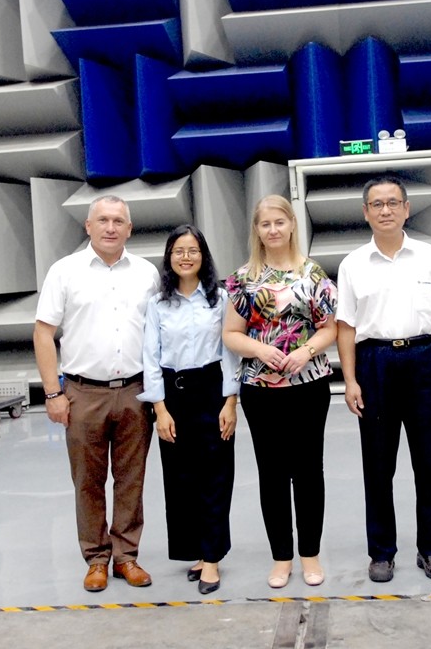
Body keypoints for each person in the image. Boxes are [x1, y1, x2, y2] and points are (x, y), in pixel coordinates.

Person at [336, 176, 431, 583]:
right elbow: (345, 327)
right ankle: (381, 553)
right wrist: (350, 380)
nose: (386, 210)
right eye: (377, 204)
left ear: (407, 209)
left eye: (393, 202)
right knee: (378, 465)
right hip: (374, 364)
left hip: (425, 360)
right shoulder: (353, 264)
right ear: (365, 213)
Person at [34, 195, 160, 592]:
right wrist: (52, 393)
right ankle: (96, 558)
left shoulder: (147, 274)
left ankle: (126, 556)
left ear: (129, 229)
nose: (110, 227)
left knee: (131, 479)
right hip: (83, 393)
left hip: (136, 390)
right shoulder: (64, 271)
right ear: (88, 226)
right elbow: (43, 333)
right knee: (88, 481)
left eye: (118, 221)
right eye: (102, 220)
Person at [222, 194, 338, 589]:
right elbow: (231, 334)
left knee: (308, 472)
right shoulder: (243, 279)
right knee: (271, 474)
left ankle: (310, 554)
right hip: (260, 389)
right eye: (265, 224)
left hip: (309, 387)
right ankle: (281, 557)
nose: (273, 230)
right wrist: (260, 350)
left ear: (291, 225)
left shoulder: (313, 275)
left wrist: (306, 351)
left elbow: (329, 328)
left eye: (279, 222)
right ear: (256, 230)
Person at [140, 224, 240, 596]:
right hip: (174, 396)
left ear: (203, 256)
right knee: (182, 480)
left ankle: (212, 558)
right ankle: (198, 549)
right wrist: (159, 409)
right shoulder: (157, 304)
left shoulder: (220, 298)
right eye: (178, 251)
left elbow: (230, 352)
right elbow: (150, 357)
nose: (186, 257)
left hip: (213, 391)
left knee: (216, 477)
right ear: (169, 257)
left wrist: (230, 401)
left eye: (193, 250)